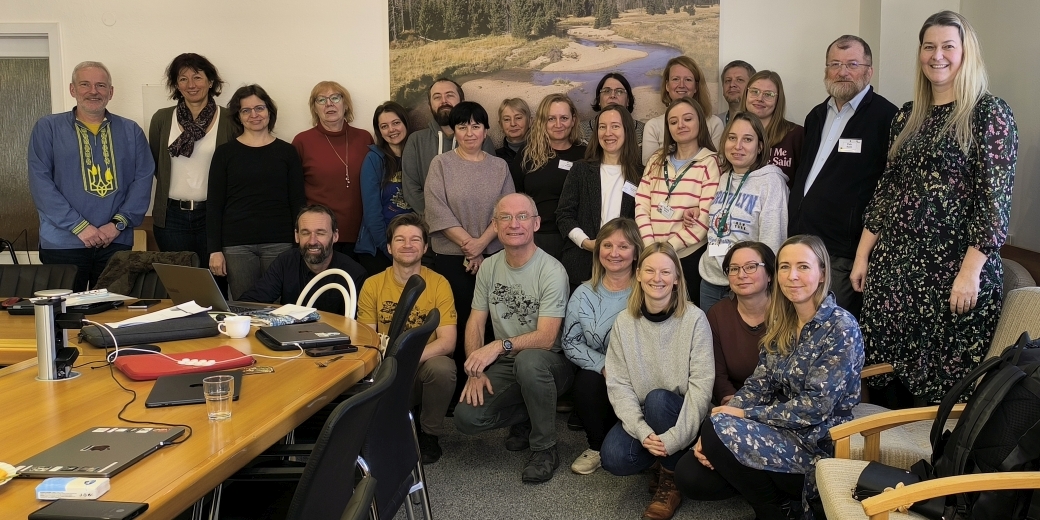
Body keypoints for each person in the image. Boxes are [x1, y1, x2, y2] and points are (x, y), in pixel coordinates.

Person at [852, 11, 1018, 406]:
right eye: (929, 46)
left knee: (942, 397)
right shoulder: (907, 116)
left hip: (952, 278)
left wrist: (969, 273)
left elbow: (994, 203)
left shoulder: (988, 113)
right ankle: (885, 447)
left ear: (966, 53)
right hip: (895, 276)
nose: (937, 55)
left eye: (948, 46)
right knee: (887, 387)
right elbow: (887, 191)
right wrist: (862, 256)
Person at [674, 235, 864, 520]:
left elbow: (815, 408)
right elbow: (759, 383)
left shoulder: (840, 327)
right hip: (778, 428)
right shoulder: (782, 321)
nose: (792, 276)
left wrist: (739, 417)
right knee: (690, 474)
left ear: (823, 273)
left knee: (716, 428)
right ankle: (779, 500)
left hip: (820, 441)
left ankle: (772, 511)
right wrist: (720, 424)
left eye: (803, 267)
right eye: (785, 267)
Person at [453, 193, 571, 484]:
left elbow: (546, 338)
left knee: (529, 362)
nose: (514, 224)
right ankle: (530, 414)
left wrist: (499, 345)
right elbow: (476, 322)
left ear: (536, 223)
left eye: (522, 217)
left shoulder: (552, 270)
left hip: (550, 363)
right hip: (509, 363)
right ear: (495, 225)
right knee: (466, 418)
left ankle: (545, 448)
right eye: (505, 217)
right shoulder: (489, 267)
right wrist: (476, 370)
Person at [787, 35, 898, 319]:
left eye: (852, 64)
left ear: (869, 71)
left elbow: (891, 189)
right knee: (800, 326)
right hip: (803, 246)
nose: (842, 71)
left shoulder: (887, 118)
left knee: (834, 329)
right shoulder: (816, 116)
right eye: (835, 64)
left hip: (843, 254)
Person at [602, 241, 714, 520]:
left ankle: (671, 478)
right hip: (645, 415)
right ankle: (661, 459)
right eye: (650, 270)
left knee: (658, 400)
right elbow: (618, 384)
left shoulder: (695, 319)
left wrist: (675, 439)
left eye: (665, 272)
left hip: (683, 414)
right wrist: (641, 431)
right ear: (639, 274)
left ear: (676, 278)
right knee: (613, 458)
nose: (657, 278)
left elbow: (701, 388)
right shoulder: (624, 322)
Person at [28, 61, 153, 291]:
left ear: (110, 92)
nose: (93, 91)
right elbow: (40, 183)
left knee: (112, 309)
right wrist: (79, 226)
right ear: (72, 89)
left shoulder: (131, 131)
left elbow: (143, 180)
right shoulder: (48, 128)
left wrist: (116, 225)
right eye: (85, 84)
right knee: (64, 310)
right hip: (63, 244)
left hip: (114, 242)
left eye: (101, 85)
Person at [424, 101, 515, 398]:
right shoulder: (441, 164)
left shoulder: (499, 167)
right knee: (459, 320)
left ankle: (491, 388)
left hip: (493, 257)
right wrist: (470, 247)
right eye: (462, 126)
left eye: (476, 126)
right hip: (451, 258)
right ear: (454, 131)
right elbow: (436, 209)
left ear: (486, 131)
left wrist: (480, 245)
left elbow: (507, 210)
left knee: (492, 322)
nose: (469, 132)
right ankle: (457, 391)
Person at [357, 213, 457, 464]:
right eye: (400, 239)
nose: (407, 244)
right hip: (385, 369)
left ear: (425, 247)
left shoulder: (439, 284)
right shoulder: (372, 285)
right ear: (389, 247)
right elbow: (367, 341)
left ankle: (429, 434)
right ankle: (397, 420)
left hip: (423, 366)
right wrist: (391, 363)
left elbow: (447, 342)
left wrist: (407, 357)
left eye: (415, 239)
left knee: (444, 368)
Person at [207, 84, 305, 299]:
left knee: (279, 309)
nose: (254, 115)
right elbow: (214, 205)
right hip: (237, 246)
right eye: (246, 110)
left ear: (269, 111)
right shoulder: (225, 153)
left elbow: (298, 201)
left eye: (259, 108)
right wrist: (214, 250)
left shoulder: (287, 152)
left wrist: (299, 241)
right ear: (238, 116)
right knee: (245, 307)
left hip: (280, 243)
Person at [562, 218, 641, 476]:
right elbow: (570, 341)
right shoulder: (584, 293)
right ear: (598, 251)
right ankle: (596, 446)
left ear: (636, 252)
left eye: (623, 246)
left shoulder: (649, 289)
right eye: (607, 245)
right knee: (586, 380)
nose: (614, 253)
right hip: (603, 379)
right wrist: (604, 366)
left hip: (642, 377)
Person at [149, 53, 234, 273]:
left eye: (197, 77)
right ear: (177, 85)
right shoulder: (161, 119)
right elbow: (157, 164)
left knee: (216, 282)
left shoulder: (230, 119)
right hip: (171, 218)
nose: (191, 85)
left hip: (214, 216)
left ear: (210, 81)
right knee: (180, 284)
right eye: (183, 79)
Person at [697, 113, 788, 311]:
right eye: (732, 138)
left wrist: (767, 285)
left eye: (747, 139)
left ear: (760, 146)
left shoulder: (771, 182)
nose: (737, 146)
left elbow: (772, 241)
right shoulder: (724, 177)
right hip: (710, 280)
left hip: (747, 283)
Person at [636, 97, 721, 307]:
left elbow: (706, 217)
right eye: (673, 122)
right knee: (655, 311)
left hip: (689, 256)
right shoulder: (656, 160)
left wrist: (668, 249)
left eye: (688, 119)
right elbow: (641, 205)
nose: (680, 125)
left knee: (686, 314)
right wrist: (651, 247)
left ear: (700, 122)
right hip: (652, 252)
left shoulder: (711, 162)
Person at [557, 104, 642, 288]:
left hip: (625, 266)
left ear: (627, 131)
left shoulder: (641, 174)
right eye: (602, 127)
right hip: (582, 262)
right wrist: (585, 242)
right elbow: (564, 214)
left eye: (615, 126)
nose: (607, 133)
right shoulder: (580, 169)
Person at [292, 81, 373, 259]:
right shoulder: (302, 141)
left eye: (335, 98)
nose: (329, 104)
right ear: (315, 108)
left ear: (346, 104)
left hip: (361, 234)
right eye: (321, 100)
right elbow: (294, 192)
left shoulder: (364, 138)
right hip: (319, 237)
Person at [239, 204, 366, 316]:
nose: (312, 241)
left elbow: (357, 327)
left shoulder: (354, 273)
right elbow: (251, 302)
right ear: (297, 236)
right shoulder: (286, 262)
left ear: (335, 236)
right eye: (305, 233)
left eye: (320, 233)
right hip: (290, 334)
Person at [402, 77, 495, 217]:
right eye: (437, 97)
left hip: (471, 222)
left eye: (450, 95)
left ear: (462, 102)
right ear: (430, 106)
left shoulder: (481, 140)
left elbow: (488, 187)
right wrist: (439, 217)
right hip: (429, 222)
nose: (444, 101)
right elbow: (411, 189)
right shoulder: (415, 141)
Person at [510, 94, 586, 259]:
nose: (558, 124)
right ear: (542, 122)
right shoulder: (527, 153)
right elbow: (515, 195)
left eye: (564, 118)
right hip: (536, 238)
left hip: (575, 239)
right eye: (551, 119)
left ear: (573, 120)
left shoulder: (585, 155)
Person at [708, 241, 775, 405]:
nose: (741, 275)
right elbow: (718, 375)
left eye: (751, 267)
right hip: (734, 404)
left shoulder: (789, 313)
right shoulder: (717, 315)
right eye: (734, 269)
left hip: (781, 406)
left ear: (770, 274)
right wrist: (734, 405)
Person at [356, 101, 412, 275]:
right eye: (384, 126)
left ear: (405, 123)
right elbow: (371, 212)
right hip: (379, 248)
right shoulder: (373, 159)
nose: (391, 130)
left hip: (412, 245)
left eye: (396, 123)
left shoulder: (417, 156)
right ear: (379, 131)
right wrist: (388, 248)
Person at [643, 56, 724, 164]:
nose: (681, 85)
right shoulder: (653, 126)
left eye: (688, 80)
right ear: (667, 86)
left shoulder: (714, 123)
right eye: (675, 79)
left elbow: (718, 165)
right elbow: (650, 167)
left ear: (696, 87)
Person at [739, 71, 803, 182]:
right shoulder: (733, 132)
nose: (760, 98)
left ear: (778, 100)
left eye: (768, 94)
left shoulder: (796, 134)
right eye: (754, 91)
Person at [578, 72, 646, 148]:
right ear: (599, 100)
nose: (613, 95)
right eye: (607, 91)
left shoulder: (644, 132)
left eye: (619, 91)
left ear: (628, 101)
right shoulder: (581, 131)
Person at [717, 60, 755, 126]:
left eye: (739, 80)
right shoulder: (714, 123)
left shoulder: (761, 123)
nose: (732, 85)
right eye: (728, 80)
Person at [495, 98, 531, 164]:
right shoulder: (495, 157)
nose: (513, 124)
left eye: (518, 118)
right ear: (501, 125)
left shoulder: (542, 154)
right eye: (507, 119)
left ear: (530, 121)